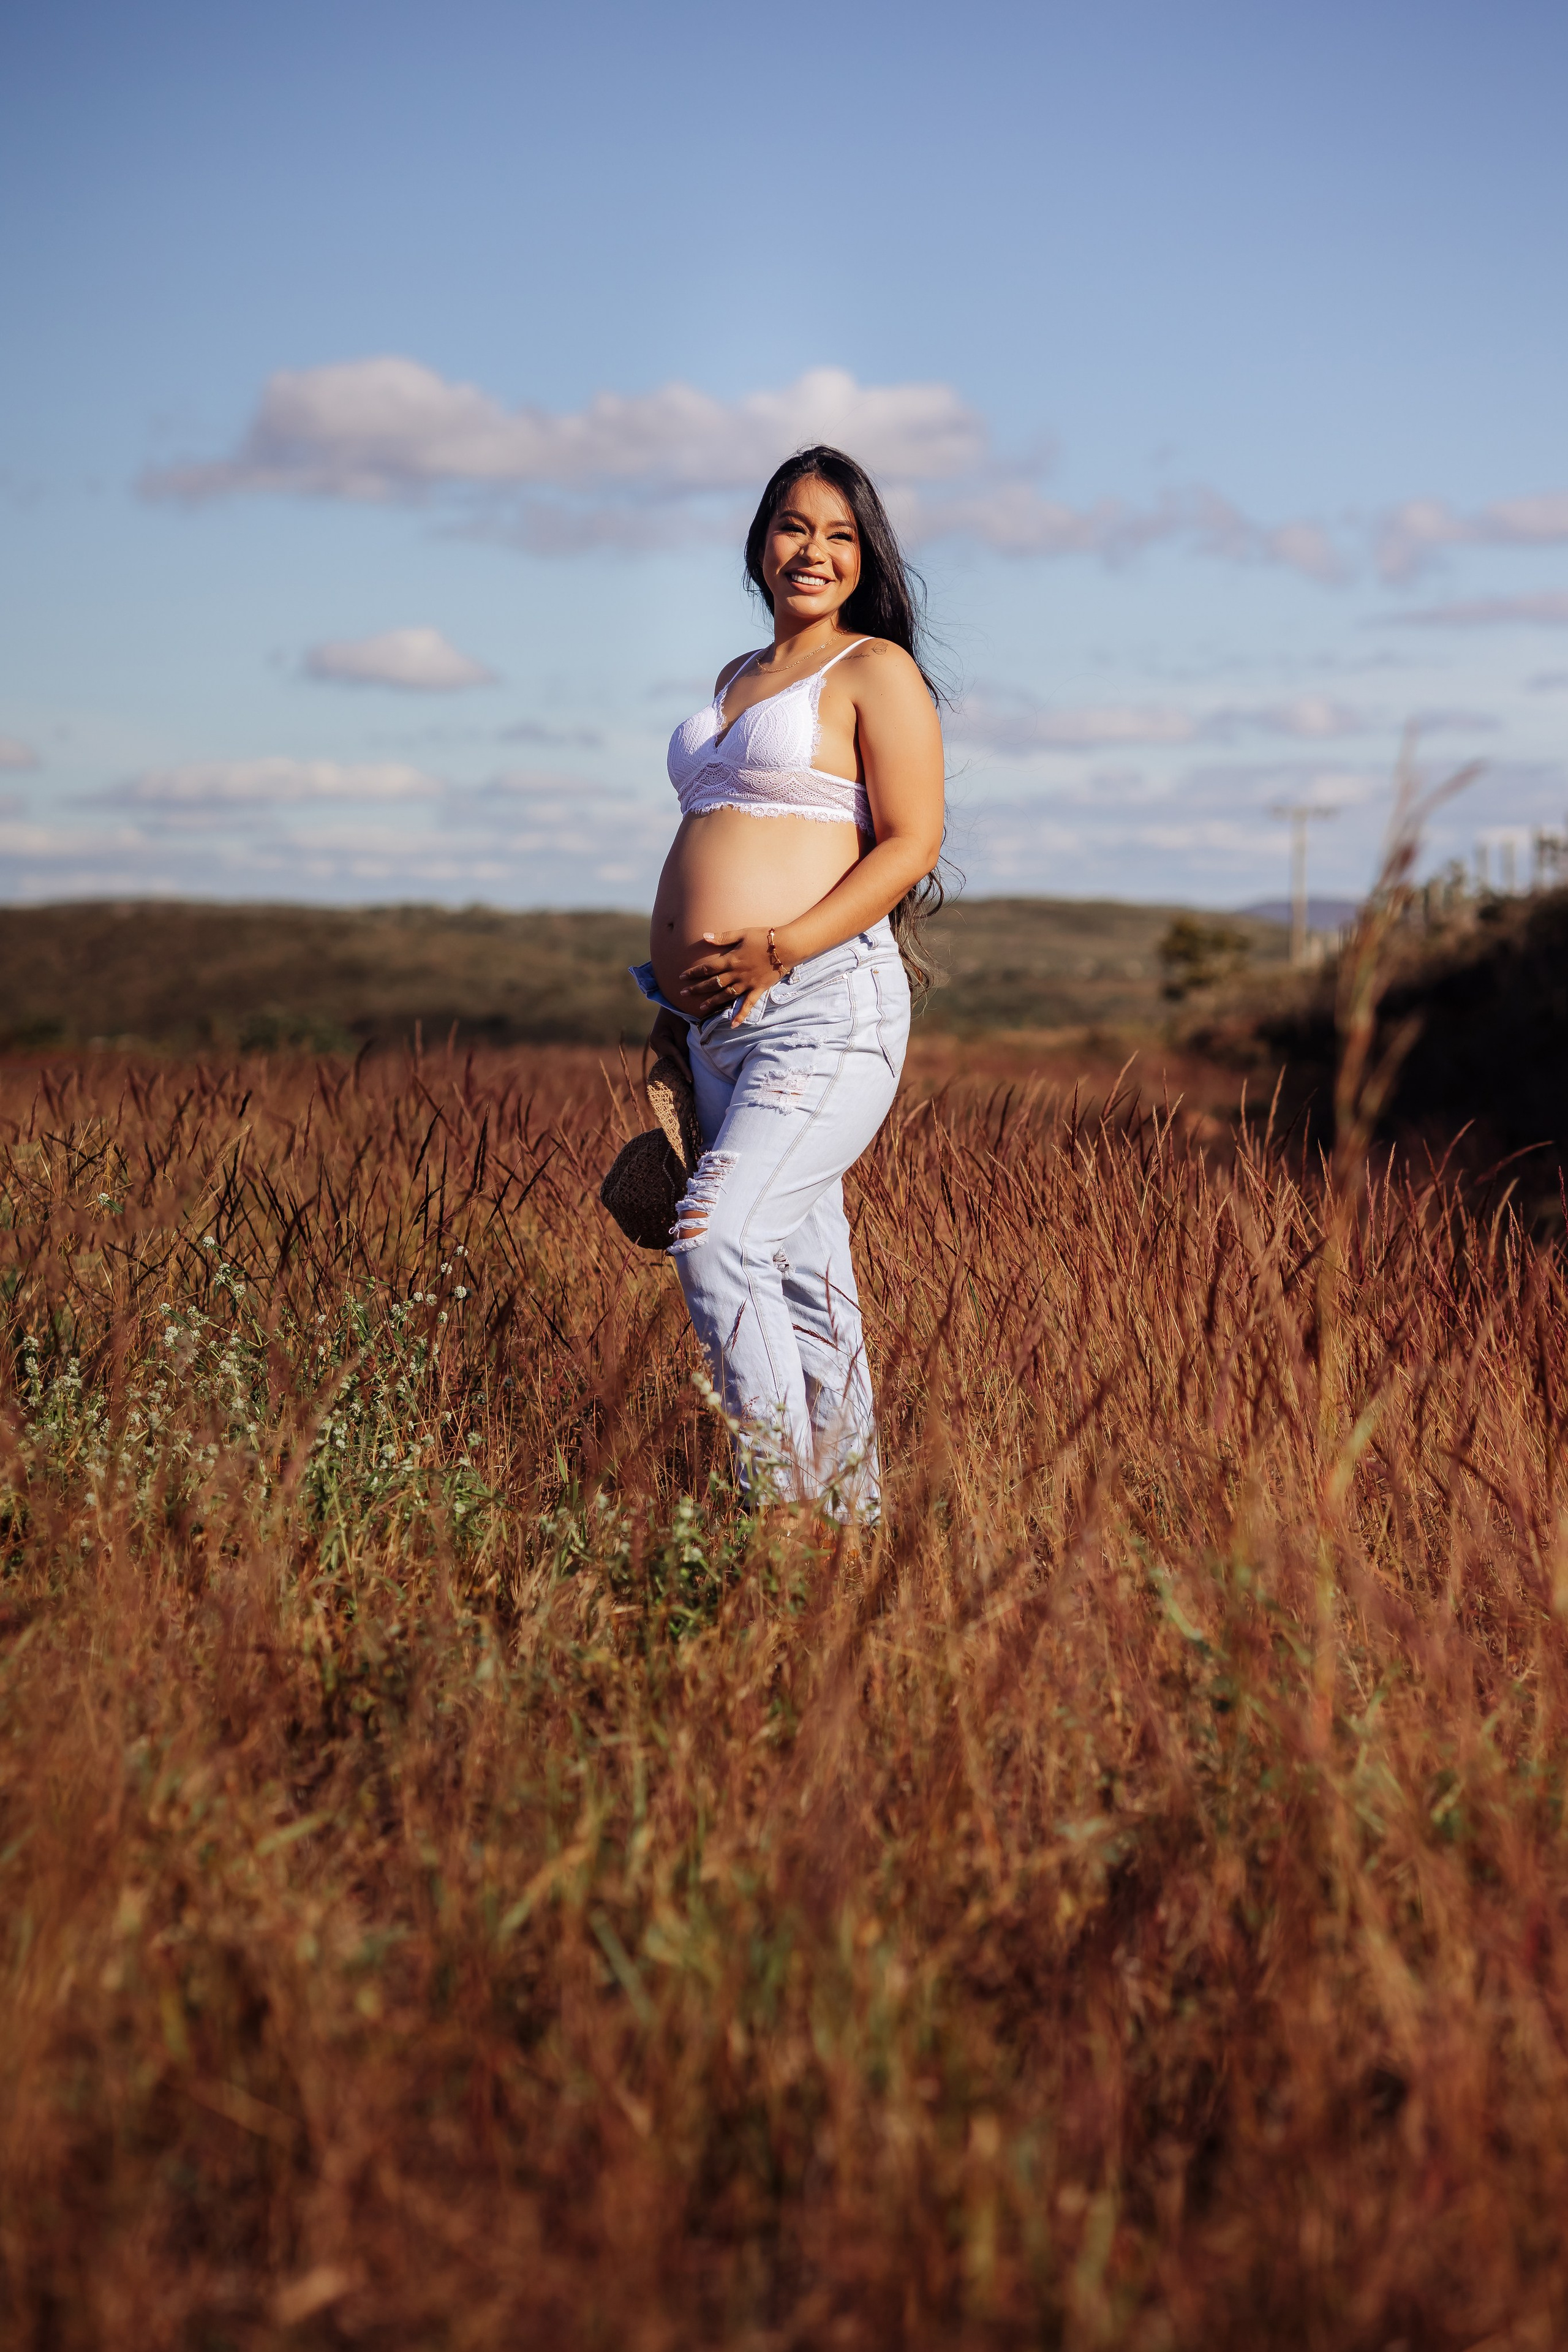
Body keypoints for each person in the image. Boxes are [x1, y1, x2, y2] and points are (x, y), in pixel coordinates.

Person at [631, 445, 946, 1517]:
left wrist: (782, 946)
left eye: (840, 535)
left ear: (866, 560)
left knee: (717, 1243)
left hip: (820, 1005)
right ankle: (852, 1534)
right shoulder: (735, 679)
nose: (813, 550)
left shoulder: (874, 670)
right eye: (794, 527)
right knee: (810, 1289)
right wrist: (681, 1004)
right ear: (762, 541)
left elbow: (909, 844)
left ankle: (780, 1522)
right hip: (716, 1025)